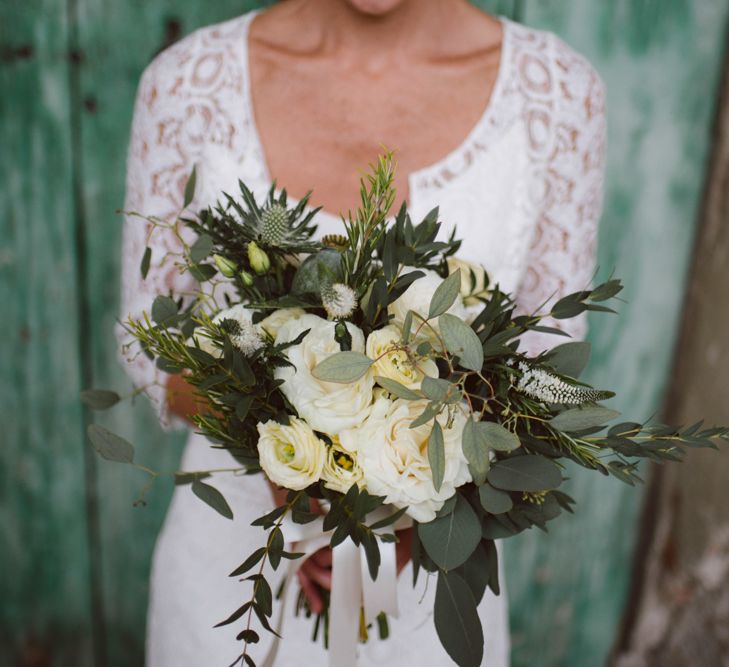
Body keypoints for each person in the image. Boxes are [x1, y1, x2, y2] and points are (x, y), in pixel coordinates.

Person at [117, 0, 606, 664]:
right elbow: (148, 342)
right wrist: (290, 454)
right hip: (228, 570)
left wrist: (415, 489)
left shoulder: (557, 93)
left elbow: (547, 366)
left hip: (430, 587)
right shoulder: (186, 83)